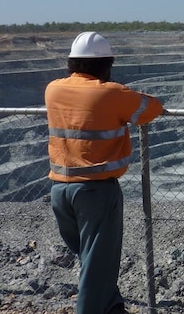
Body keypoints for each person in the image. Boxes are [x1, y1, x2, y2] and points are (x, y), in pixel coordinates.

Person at [45, 31, 164, 314]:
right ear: (106, 64)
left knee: (91, 260)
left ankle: (113, 307)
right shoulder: (112, 93)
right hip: (96, 191)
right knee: (97, 267)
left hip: (60, 189)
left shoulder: (53, 89)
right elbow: (152, 109)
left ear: (71, 63)